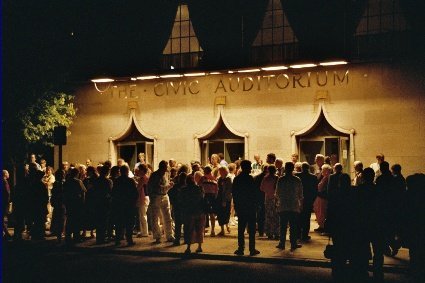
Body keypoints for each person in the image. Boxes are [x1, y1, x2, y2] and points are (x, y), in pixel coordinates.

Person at [232, 160, 260, 256]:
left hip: (241, 206)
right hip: (250, 207)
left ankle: (241, 248)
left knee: (241, 229)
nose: (251, 169)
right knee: (251, 230)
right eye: (250, 167)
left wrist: (236, 205)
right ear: (247, 168)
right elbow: (255, 193)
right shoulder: (250, 179)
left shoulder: (237, 179)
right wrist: (256, 205)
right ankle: (252, 249)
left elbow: (234, 194)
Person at [275, 162, 303, 251]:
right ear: (292, 168)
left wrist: (277, 203)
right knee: (293, 226)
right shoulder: (297, 180)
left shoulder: (281, 179)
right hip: (293, 205)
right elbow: (300, 194)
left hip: (283, 205)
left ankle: (282, 243)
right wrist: (300, 204)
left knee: (283, 226)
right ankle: (293, 243)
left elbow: (277, 192)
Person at [404, 173, 425, 283]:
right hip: (419, 227)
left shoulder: (409, 195)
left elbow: (404, 213)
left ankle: (415, 270)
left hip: (413, 228)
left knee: (414, 250)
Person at [147, 160, 174, 243]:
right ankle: (157, 236)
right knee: (155, 217)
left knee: (168, 216)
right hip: (156, 196)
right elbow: (156, 187)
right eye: (165, 167)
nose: (166, 168)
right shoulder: (154, 175)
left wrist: (168, 186)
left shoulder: (166, 174)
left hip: (165, 195)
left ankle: (169, 235)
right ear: (161, 167)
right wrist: (168, 186)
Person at [112, 165, 138, 246]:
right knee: (129, 222)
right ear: (127, 171)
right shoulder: (130, 181)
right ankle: (129, 240)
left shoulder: (117, 181)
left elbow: (113, 192)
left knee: (119, 222)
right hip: (129, 205)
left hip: (119, 204)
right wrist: (134, 202)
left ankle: (117, 240)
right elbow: (135, 193)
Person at [180, 174, 205, 254]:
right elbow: (202, 198)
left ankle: (188, 248)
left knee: (189, 230)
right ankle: (199, 246)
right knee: (199, 229)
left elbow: (181, 201)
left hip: (189, 212)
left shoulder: (184, 190)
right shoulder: (199, 189)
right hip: (199, 211)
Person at [63, 168, 86, 245]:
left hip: (69, 203)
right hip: (77, 203)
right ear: (77, 173)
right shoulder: (78, 181)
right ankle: (76, 237)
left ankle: (68, 237)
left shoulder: (67, 182)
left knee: (69, 220)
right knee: (76, 220)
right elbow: (84, 191)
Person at [296, 162, 318, 242]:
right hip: (308, 200)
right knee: (306, 217)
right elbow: (315, 190)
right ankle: (305, 235)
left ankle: (298, 234)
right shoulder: (313, 177)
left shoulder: (297, 176)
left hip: (299, 199)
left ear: (301, 168)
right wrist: (313, 200)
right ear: (308, 168)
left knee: (298, 217)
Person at [92, 165, 113, 244]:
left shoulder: (96, 180)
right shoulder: (108, 181)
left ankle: (99, 238)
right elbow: (111, 192)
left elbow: (93, 191)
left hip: (97, 202)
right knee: (104, 221)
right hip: (105, 203)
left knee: (98, 220)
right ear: (107, 172)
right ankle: (103, 238)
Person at [260, 165, 279, 240]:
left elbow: (261, 188)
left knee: (268, 215)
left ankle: (269, 233)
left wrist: (268, 191)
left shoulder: (265, 178)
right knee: (276, 216)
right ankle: (277, 232)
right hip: (275, 198)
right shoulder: (277, 178)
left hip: (267, 198)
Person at [199, 166, 218, 237]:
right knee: (212, 214)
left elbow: (199, 186)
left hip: (205, 196)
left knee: (204, 214)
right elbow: (217, 190)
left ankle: (203, 231)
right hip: (212, 196)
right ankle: (212, 230)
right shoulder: (214, 179)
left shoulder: (202, 178)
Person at [168, 172, 185, 245]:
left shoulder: (175, 187)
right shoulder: (187, 187)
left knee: (178, 224)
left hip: (177, 207)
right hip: (185, 207)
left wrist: (173, 203)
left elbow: (170, 195)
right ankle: (186, 239)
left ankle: (177, 239)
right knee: (186, 224)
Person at [313, 164, 331, 233]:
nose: (322, 171)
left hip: (322, 197)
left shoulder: (328, 177)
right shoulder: (324, 177)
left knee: (322, 212)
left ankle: (323, 226)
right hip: (320, 196)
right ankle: (321, 226)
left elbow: (325, 188)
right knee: (319, 211)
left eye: (323, 170)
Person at [50, 169, 66, 243]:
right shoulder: (61, 183)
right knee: (61, 218)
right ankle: (59, 233)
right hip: (61, 203)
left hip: (58, 203)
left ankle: (58, 233)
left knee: (58, 217)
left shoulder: (56, 183)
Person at [216, 166, 232, 236]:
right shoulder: (219, 179)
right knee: (220, 214)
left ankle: (226, 227)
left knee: (226, 213)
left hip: (225, 199)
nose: (219, 172)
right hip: (219, 198)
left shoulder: (228, 179)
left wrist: (224, 200)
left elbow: (228, 190)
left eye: (220, 171)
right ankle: (223, 229)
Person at [135, 164, 150, 238]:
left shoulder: (143, 178)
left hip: (142, 198)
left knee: (142, 215)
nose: (138, 171)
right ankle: (143, 231)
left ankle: (144, 232)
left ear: (142, 170)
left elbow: (138, 188)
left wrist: (135, 183)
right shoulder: (146, 177)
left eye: (139, 170)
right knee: (142, 215)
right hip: (145, 198)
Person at [2, 170, 12, 240]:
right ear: (5, 174)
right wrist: (8, 202)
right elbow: (7, 193)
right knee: (3, 219)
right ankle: (7, 234)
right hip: (4, 202)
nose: (9, 174)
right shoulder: (4, 182)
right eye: (8, 173)